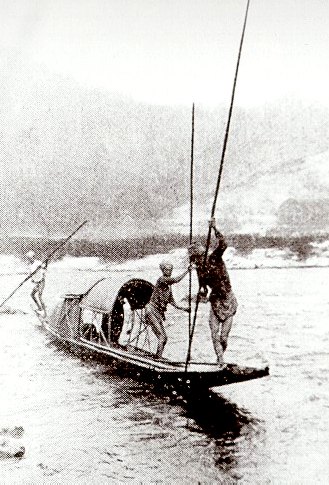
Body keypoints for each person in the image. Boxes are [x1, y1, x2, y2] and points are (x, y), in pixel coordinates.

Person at [188, 217, 238, 368]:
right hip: (215, 301)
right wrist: (199, 295)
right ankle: (221, 360)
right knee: (214, 333)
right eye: (195, 259)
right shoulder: (199, 270)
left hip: (228, 300)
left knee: (223, 337)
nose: (197, 261)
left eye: (198, 258)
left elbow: (223, 244)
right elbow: (203, 289)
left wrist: (214, 229)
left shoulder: (214, 258)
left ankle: (220, 358)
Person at [145, 261, 191, 358]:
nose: (169, 271)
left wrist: (185, 309)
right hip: (151, 311)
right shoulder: (161, 280)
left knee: (164, 338)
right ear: (163, 270)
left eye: (170, 270)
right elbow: (176, 280)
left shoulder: (168, 289)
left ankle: (158, 357)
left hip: (158, 314)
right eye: (167, 269)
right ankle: (158, 360)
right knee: (161, 337)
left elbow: (174, 303)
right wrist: (187, 271)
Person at [26, 250, 47, 318]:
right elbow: (30, 275)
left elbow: (45, 267)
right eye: (28, 258)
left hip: (41, 281)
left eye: (30, 258)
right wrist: (31, 278)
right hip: (36, 283)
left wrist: (46, 262)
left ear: (33, 257)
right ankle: (40, 308)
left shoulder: (38, 263)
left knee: (39, 296)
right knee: (32, 295)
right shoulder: (29, 266)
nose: (29, 259)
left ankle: (44, 312)